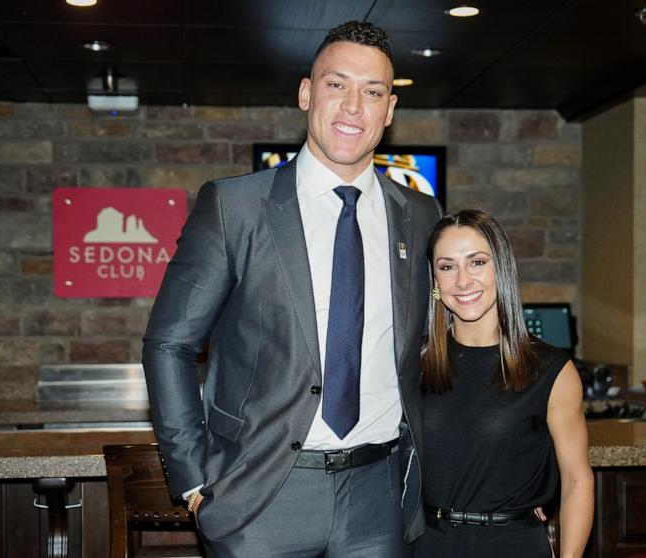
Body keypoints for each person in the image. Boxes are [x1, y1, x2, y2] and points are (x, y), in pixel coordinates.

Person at [143, 20, 443, 557]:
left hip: (378, 495)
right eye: (336, 84)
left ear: (390, 110)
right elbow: (170, 344)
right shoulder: (234, 207)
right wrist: (194, 483)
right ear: (307, 93)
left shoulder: (420, 214)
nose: (354, 106)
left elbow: (437, 347)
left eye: (372, 92)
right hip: (259, 496)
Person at [415, 209, 594, 558]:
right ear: (435, 282)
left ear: (502, 269)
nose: (463, 281)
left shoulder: (551, 370)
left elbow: (577, 481)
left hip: (512, 545)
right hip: (427, 545)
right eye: (447, 266)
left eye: (477, 262)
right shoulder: (414, 363)